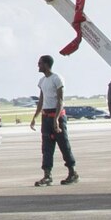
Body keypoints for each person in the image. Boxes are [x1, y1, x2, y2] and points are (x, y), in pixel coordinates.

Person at [31, 54, 78, 186]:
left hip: (57, 116)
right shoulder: (42, 81)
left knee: (64, 145)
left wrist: (56, 119)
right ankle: (47, 176)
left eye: (40, 63)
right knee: (46, 148)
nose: (38, 66)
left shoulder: (57, 79)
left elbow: (60, 100)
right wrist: (35, 117)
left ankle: (72, 172)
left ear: (46, 64)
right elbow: (41, 100)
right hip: (46, 117)